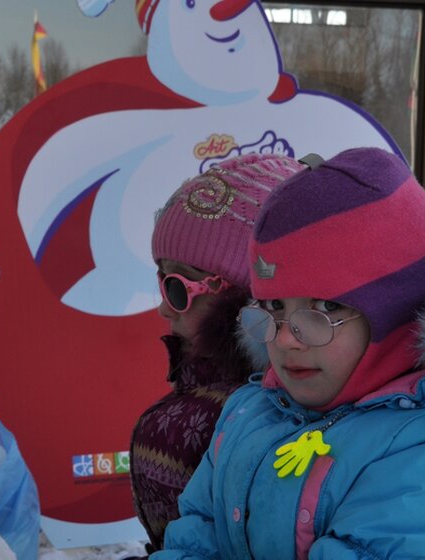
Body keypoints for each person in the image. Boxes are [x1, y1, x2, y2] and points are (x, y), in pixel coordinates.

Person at [153, 147, 425, 559]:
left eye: (325, 307)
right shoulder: (249, 416)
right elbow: (194, 542)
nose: (286, 339)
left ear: (395, 313)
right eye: (274, 307)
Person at [129, 153, 305, 555]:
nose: (162, 308)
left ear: (242, 297)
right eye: (160, 281)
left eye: (176, 287)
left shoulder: (193, 426)